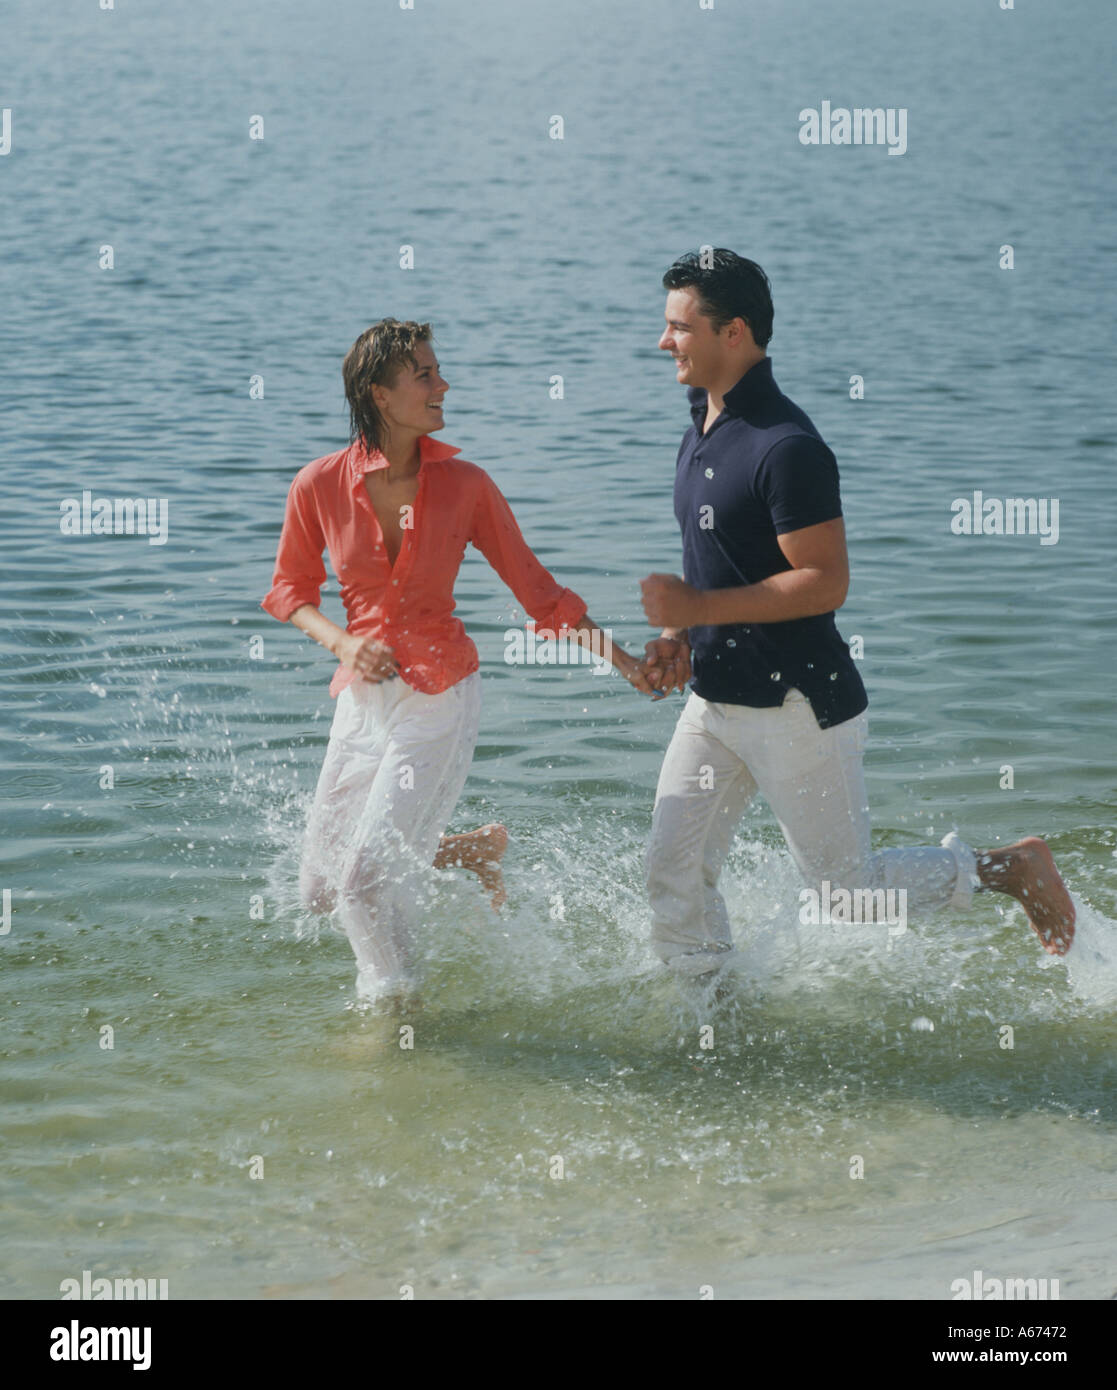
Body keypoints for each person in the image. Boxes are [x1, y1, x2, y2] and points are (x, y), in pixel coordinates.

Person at [634, 249, 1076, 981]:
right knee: (670, 871)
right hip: (713, 700)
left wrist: (701, 607)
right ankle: (713, 1027)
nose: (662, 342)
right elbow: (707, 557)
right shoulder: (700, 427)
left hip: (796, 704)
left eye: (679, 327)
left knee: (846, 897)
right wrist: (678, 634)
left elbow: (823, 581)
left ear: (733, 332)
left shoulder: (787, 445)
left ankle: (1009, 868)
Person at [261, 318, 644, 1003]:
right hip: (361, 697)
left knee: (363, 886)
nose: (444, 385)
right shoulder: (317, 483)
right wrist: (343, 643)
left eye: (438, 372)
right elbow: (289, 591)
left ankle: (395, 1013)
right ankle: (468, 850)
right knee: (318, 890)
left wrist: (624, 662)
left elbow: (537, 590)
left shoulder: (464, 485)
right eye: (426, 375)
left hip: (438, 697)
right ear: (380, 394)